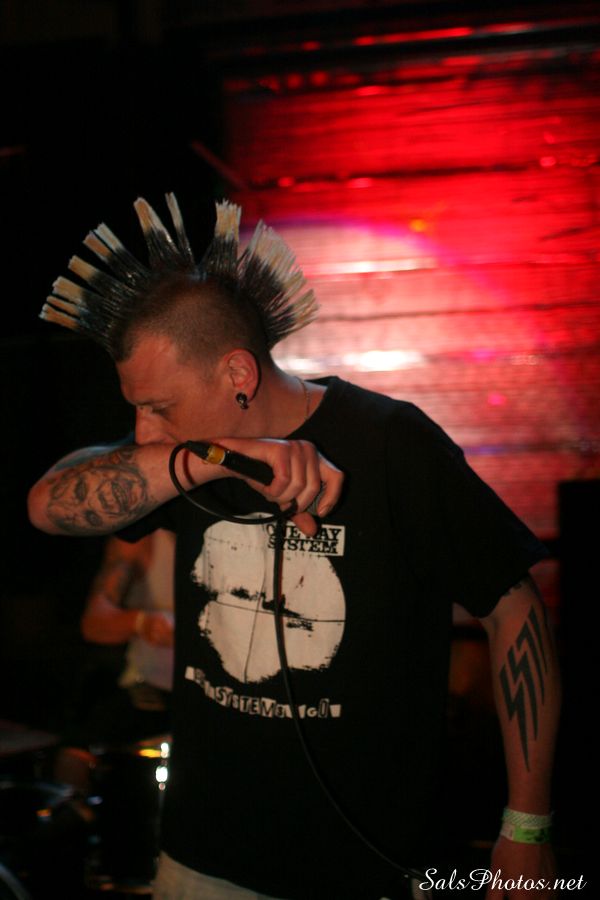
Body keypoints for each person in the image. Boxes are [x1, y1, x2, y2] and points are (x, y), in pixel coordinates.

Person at [28, 195, 561, 899]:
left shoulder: (392, 445)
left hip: (367, 867)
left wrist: (527, 827)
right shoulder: (184, 455)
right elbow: (46, 506)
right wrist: (214, 459)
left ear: (238, 376)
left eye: (159, 407)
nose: (147, 431)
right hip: (200, 861)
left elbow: (515, 610)